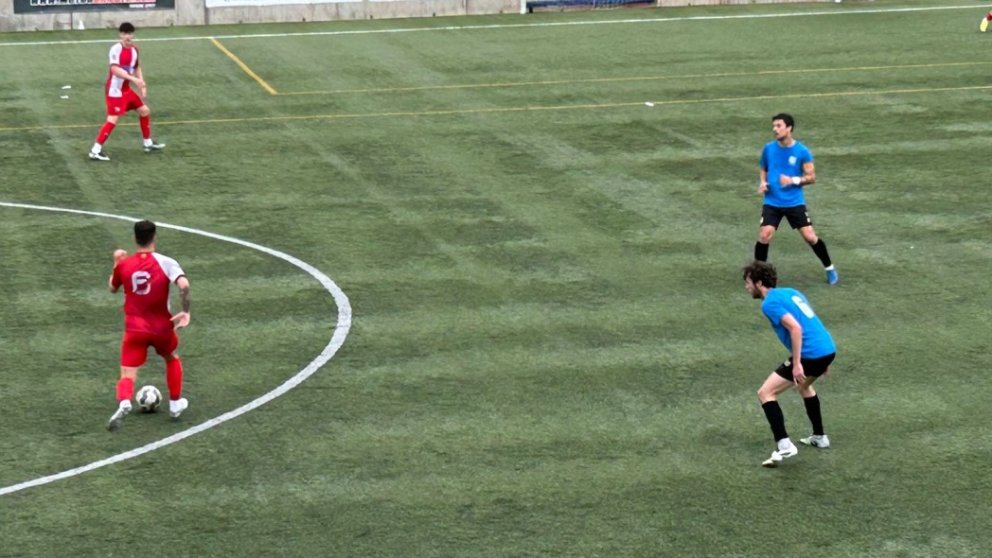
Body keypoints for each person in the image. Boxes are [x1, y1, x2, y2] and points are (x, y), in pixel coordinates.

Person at [742, 261, 836, 468]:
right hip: (827, 348)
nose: (746, 287)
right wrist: (823, 358)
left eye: (748, 283)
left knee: (765, 392)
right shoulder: (791, 292)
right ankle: (820, 437)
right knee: (803, 386)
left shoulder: (769, 304)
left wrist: (797, 364)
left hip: (811, 354)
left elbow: (795, 328)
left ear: (759, 283)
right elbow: (811, 321)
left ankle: (784, 445)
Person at [107, 220, 190, 431]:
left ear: (135, 239)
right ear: (154, 238)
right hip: (162, 326)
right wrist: (186, 311)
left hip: (135, 328)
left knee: (127, 372)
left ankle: (125, 401)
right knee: (171, 357)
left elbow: (112, 288)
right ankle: (175, 405)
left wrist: (116, 262)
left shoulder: (125, 264)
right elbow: (184, 285)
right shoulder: (166, 262)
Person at [755, 113, 838, 285]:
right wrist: (763, 182)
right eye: (773, 126)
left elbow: (811, 177)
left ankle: (829, 268)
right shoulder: (768, 148)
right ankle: (758, 276)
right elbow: (764, 167)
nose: (775, 129)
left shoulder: (802, 151)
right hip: (772, 201)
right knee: (764, 235)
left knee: (810, 237)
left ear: (789, 128)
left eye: (779, 126)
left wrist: (792, 180)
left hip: (794, 202)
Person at [88, 22, 165, 162]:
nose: (128, 36)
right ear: (120, 35)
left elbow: (137, 67)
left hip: (126, 90)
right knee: (112, 120)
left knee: (144, 111)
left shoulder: (135, 50)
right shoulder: (115, 49)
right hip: (115, 90)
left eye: (130, 33)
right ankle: (95, 150)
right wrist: (134, 80)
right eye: (125, 34)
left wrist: (142, 83)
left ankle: (147, 143)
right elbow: (114, 69)